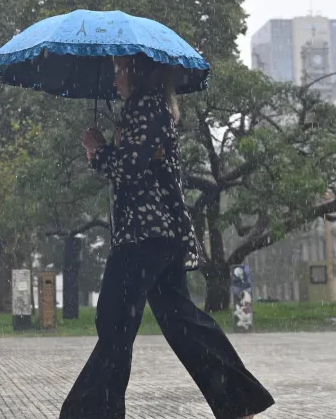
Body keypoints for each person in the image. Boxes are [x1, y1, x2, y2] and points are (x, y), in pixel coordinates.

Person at [59, 55, 274, 419]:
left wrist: (97, 152)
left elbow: (129, 167)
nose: (114, 81)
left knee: (115, 320)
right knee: (180, 321)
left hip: (147, 236)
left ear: (136, 71)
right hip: (158, 234)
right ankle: (237, 402)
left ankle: (93, 412)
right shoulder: (149, 109)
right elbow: (137, 166)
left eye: (118, 71)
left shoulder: (146, 108)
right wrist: (104, 150)